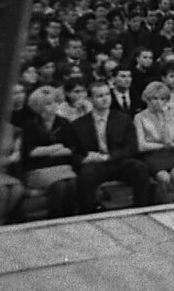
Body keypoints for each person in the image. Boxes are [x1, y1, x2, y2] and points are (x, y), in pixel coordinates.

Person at [64, 81, 150, 213]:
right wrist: (83, 160)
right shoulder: (78, 125)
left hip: (117, 161)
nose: (105, 99)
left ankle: (142, 210)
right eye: (99, 96)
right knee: (86, 175)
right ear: (90, 99)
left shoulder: (123, 119)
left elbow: (131, 147)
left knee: (140, 168)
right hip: (95, 164)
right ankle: (87, 214)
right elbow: (74, 152)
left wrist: (107, 157)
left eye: (107, 94)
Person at [20, 85, 77, 218]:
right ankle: (54, 219)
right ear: (39, 107)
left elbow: (71, 149)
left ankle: (71, 218)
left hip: (62, 166)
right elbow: (31, 152)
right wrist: (56, 148)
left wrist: (45, 150)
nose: (54, 106)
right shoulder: (30, 125)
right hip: (36, 169)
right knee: (59, 186)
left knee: (73, 183)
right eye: (48, 104)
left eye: (55, 102)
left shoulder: (64, 123)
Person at [133, 81, 174, 203]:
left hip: (167, 154)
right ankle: (162, 206)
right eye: (155, 98)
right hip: (149, 154)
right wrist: (163, 146)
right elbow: (141, 146)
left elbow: (169, 139)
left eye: (162, 99)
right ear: (147, 99)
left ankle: (171, 203)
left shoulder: (168, 116)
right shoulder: (139, 117)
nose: (158, 102)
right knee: (164, 177)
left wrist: (166, 119)